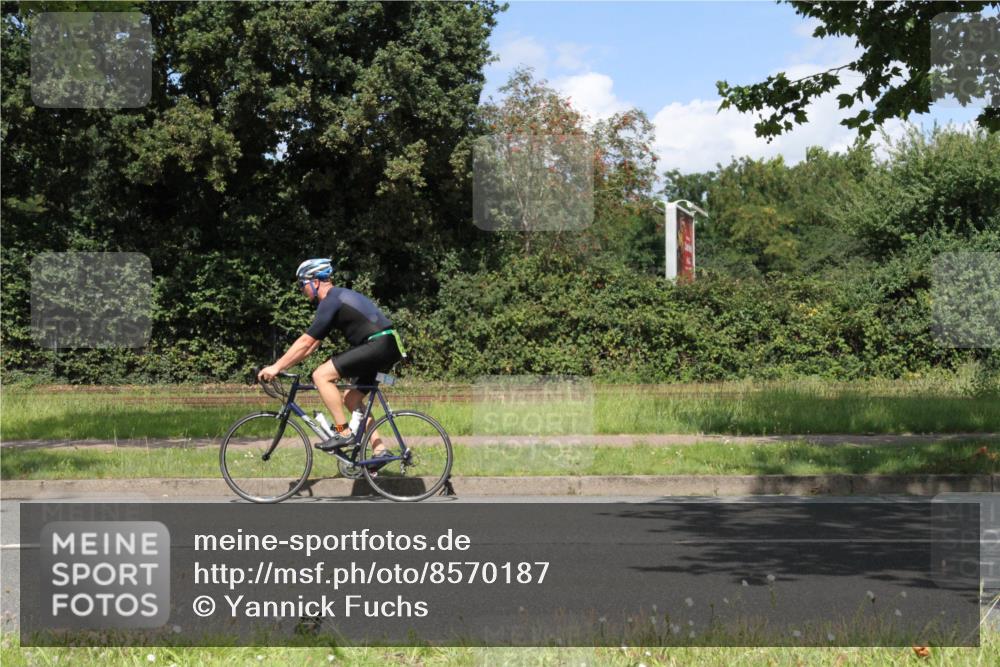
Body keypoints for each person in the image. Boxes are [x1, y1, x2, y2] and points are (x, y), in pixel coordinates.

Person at [257, 258, 404, 462]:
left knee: (321, 375)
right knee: (351, 399)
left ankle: (343, 432)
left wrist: (275, 367)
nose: (301, 290)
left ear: (315, 282)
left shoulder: (331, 300)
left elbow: (306, 341)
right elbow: (310, 347)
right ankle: (380, 451)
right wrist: (283, 366)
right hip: (387, 345)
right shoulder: (336, 298)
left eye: (302, 285)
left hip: (379, 344)